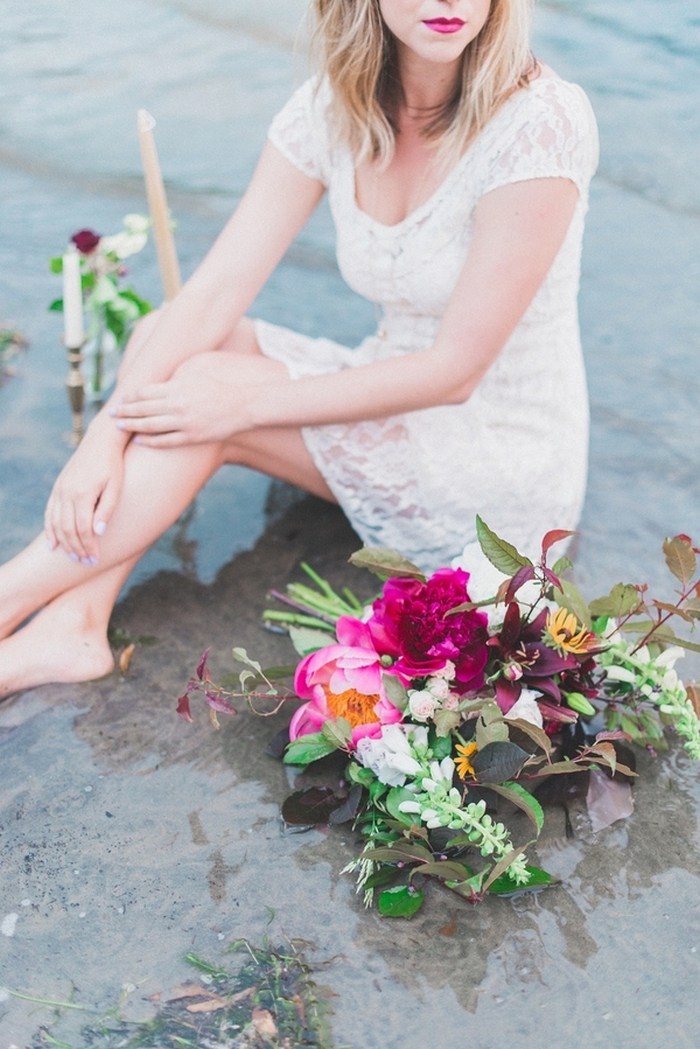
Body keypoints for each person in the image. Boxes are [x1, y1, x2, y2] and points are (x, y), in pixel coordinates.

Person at [0, 0, 598, 698]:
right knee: (162, 339)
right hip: (390, 377)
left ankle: (12, 597)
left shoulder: (539, 124)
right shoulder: (332, 109)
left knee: (208, 393)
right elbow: (212, 293)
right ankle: (74, 619)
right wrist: (103, 434)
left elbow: (454, 372)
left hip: (494, 455)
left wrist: (242, 403)